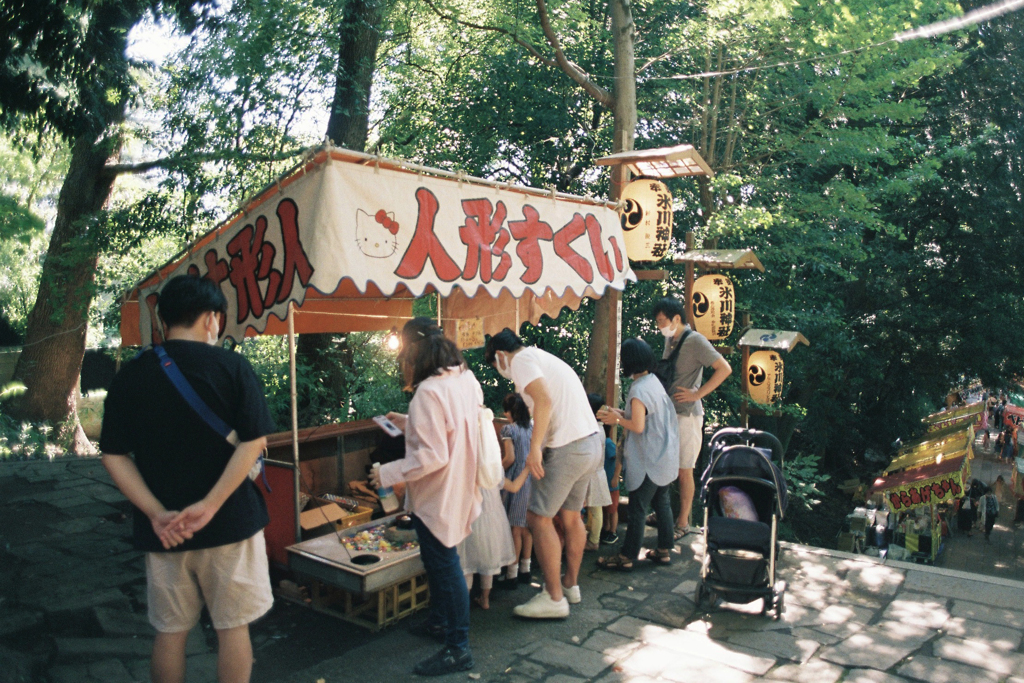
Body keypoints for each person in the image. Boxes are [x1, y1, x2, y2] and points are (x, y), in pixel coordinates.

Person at [99, 275, 276, 683]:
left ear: (164, 321)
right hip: (231, 524)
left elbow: (113, 455)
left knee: (170, 633)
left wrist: (158, 514)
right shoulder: (232, 367)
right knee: (233, 631)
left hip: (165, 533)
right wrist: (210, 505)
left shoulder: (131, 376)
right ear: (212, 319)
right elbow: (254, 443)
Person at [373, 318, 482, 676]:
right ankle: (439, 623)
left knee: (445, 566)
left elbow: (432, 455)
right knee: (440, 564)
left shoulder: (428, 392)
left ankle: (458, 646)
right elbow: (449, 428)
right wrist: (408, 421)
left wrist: (386, 473)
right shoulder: (465, 379)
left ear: (414, 354)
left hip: (438, 493)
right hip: (461, 481)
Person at [485, 329, 603, 619]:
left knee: (538, 517)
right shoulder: (542, 357)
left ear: (500, 356)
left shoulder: (522, 361)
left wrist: (535, 448)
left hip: (567, 447)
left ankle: (553, 597)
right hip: (589, 442)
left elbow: (545, 401)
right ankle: (570, 585)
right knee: (572, 516)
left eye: (494, 365)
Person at [595, 338, 680, 570]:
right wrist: (619, 413)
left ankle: (627, 556)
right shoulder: (653, 382)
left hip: (648, 460)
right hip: (665, 455)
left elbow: (639, 426)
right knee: (662, 503)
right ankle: (663, 550)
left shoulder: (639, 389)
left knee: (637, 509)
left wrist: (618, 420)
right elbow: (643, 417)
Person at [652, 297, 732, 538]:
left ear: (677, 318)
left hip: (687, 416)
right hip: (668, 411)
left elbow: (724, 369)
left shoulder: (696, 340)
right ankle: (661, 512)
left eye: (662, 321)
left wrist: (698, 393)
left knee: (685, 470)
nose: (660, 327)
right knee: (662, 464)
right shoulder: (671, 339)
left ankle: (683, 522)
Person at [496, 393, 534, 588]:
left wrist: (496, 471)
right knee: (526, 526)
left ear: (510, 411)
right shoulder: (533, 427)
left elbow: (509, 457)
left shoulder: (509, 429)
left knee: (515, 529)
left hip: (517, 477)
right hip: (533, 477)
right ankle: (526, 569)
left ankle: (511, 573)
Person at [588, 393, 621, 546]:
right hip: (596, 472)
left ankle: (594, 540)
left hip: (593, 472)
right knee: (595, 508)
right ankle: (593, 535)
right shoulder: (600, 429)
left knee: (595, 509)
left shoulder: (594, 429)